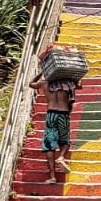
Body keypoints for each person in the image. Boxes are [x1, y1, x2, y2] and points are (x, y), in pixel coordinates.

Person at [29, 46, 77, 183]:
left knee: (49, 145)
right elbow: (79, 84)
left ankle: (52, 176)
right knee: (65, 141)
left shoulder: (45, 83)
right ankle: (61, 157)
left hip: (51, 115)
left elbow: (31, 84)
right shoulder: (69, 83)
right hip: (64, 114)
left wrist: (42, 72)